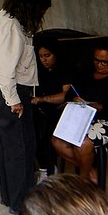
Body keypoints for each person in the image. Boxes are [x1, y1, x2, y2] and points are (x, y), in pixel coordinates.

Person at [0, 0, 52, 213]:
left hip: (1, 87)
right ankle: (22, 203)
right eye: (41, 10)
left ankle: (11, 198)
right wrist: (13, 100)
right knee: (21, 146)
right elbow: (4, 69)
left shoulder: (6, 18)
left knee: (12, 144)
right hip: (8, 89)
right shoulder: (10, 26)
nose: (41, 15)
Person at [50, 42, 108, 185]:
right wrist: (74, 98)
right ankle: (91, 172)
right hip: (85, 119)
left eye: (105, 61)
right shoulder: (86, 73)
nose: (100, 65)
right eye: (96, 60)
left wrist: (97, 106)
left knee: (83, 143)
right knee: (57, 140)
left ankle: (84, 184)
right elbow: (70, 93)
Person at [28, 34, 73, 177]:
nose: (43, 60)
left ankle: (48, 167)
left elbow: (66, 96)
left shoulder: (66, 69)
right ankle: (39, 166)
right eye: (40, 56)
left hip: (61, 110)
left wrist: (42, 99)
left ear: (56, 53)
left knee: (44, 126)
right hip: (43, 109)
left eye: (47, 55)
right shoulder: (40, 70)